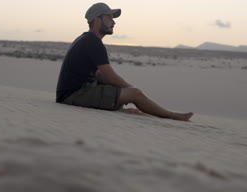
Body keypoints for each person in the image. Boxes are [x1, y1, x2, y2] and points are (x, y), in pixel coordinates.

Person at [56, 2, 193, 121]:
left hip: (70, 94)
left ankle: (119, 106)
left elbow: (100, 75)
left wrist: (120, 95)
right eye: (109, 18)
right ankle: (172, 115)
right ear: (97, 20)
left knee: (116, 87)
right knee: (134, 93)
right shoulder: (93, 41)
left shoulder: (85, 39)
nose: (113, 22)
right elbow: (111, 77)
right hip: (73, 96)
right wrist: (131, 90)